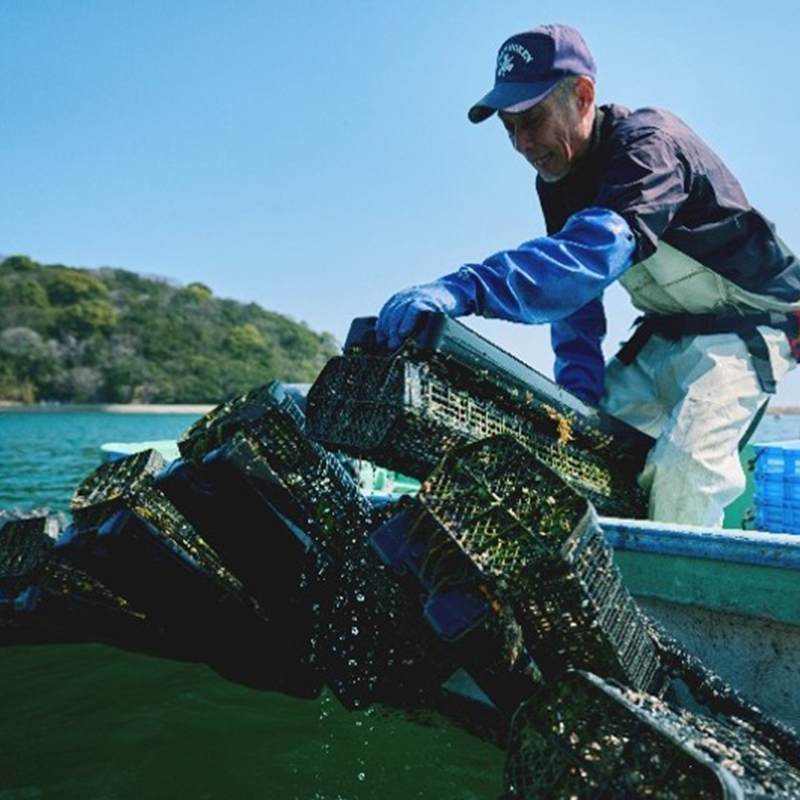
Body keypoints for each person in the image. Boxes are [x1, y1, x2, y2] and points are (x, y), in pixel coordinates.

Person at [375, 24, 800, 527]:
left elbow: (592, 256)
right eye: (508, 128)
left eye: (531, 119)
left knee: (683, 471)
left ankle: (667, 600)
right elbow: (577, 303)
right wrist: (576, 394)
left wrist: (468, 285)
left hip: (748, 328)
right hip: (664, 333)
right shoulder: (557, 178)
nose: (523, 143)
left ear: (582, 96)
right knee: (580, 449)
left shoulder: (650, 147)